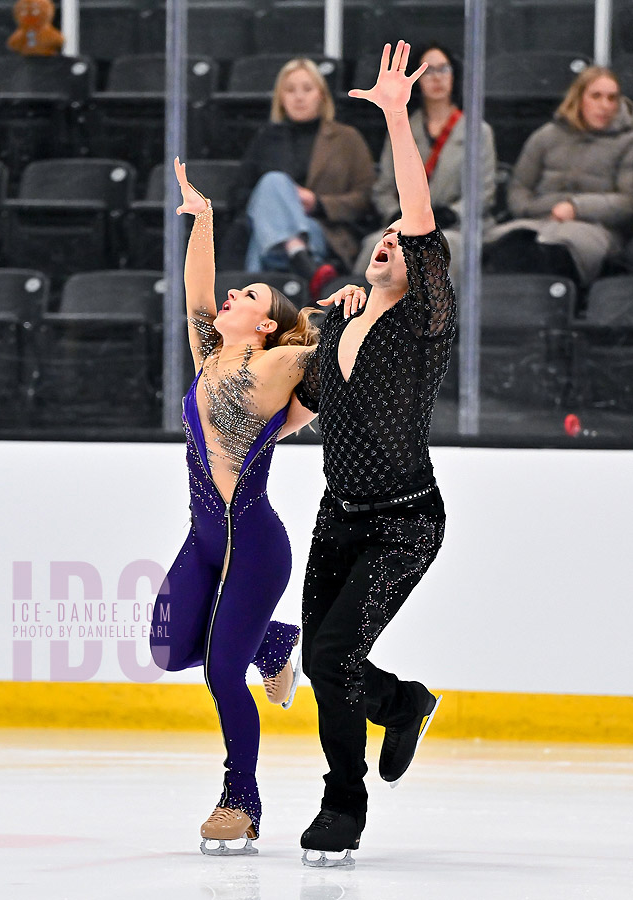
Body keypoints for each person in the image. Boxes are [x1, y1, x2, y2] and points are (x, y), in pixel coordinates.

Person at [283, 42, 456, 866]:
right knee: (329, 663)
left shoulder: (423, 323)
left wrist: (393, 114)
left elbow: (419, 218)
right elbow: (303, 412)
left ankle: (342, 801)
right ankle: (403, 700)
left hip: (404, 523)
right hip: (337, 515)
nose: (389, 239)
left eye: (400, 240)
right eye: (380, 237)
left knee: (329, 654)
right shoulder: (334, 322)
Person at [149, 157, 319, 856]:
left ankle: (239, 798)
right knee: (166, 650)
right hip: (203, 541)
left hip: (254, 544)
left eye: (246, 293)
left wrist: (348, 313)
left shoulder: (280, 365)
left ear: (268, 324)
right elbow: (194, 291)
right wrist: (205, 219)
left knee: (223, 673)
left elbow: (328, 355)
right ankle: (275, 643)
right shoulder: (207, 356)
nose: (229, 296)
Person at [229, 57, 376, 299]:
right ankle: (299, 254)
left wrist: (318, 203)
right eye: (290, 90)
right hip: (271, 238)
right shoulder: (266, 139)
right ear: (280, 97)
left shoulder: (347, 138)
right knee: (272, 183)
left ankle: (255, 296)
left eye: (307, 89)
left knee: (271, 193)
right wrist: (276, 201)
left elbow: (366, 198)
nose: (299, 97)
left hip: (322, 233)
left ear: (322, 95)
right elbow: (238, 194)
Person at [355, 42, 497, 290]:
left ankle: (438, 324)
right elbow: (384, 188)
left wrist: (452, 213)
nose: (437, 78)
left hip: (456, 226)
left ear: (455, 75)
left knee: (443, 245)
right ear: (415, 79)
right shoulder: (402, 126)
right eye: (428, 71)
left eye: (444, 69)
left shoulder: (477, 130)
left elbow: (483, 193)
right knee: (373, 245)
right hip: (406, 223)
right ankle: (367, 322)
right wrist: (394, 214)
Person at [485, 66, 633, 287]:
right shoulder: (546, 136)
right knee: (500, 246)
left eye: (612, 98)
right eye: (596, 96)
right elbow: (519, 188)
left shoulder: (628, 141)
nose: (605, 105)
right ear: (579, 98)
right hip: (537, 221)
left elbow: (627, 201)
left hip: (594, 229)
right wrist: (533, 209)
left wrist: (576, 207)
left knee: (554, 254)